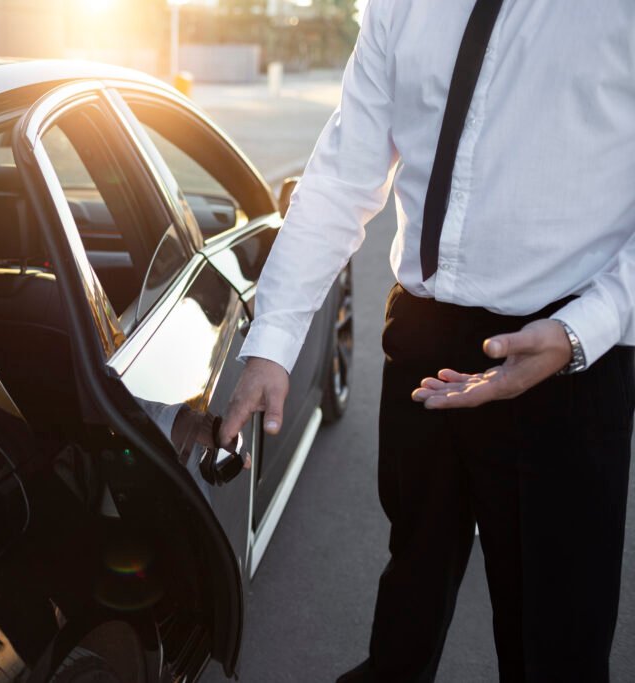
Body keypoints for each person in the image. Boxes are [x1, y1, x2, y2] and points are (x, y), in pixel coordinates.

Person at [220, 1, 634, 681]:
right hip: (424, 338)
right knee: (411, 584)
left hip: (566, 364)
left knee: (554, 644)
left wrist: (578, 331)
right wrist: (273, 340)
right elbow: (341, 176)